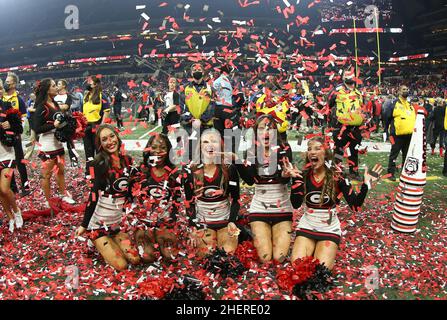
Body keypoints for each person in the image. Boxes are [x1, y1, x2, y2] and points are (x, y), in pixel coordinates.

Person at [289, 136, 383, 270]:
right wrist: (295, 182)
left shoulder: (339, 176)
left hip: (329, 229)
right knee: (298, 267)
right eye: (309, 149)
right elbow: (296, 204)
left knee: (321, 270)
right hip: (307, 226)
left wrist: (366, 184)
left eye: (317, 148)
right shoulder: (303, 175)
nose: (312, 152)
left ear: (326, 153)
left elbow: (355, 206)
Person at [75, 124, 140, 271]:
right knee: (121, 265)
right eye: (104, 139)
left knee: (134, 259)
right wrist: (84, 225)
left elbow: (130, 191)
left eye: (112, 136)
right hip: (98, 225)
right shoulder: (97, 164)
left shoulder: (128, 161)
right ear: (100, 144)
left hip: (115, 224)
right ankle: (95, 241)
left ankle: (110, 240)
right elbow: (93, 196)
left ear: (117, 137)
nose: (110, 141)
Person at [237, 114, 293, 263]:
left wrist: (285, 175)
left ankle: (273, 235)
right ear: (256, 133)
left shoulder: (285, 149)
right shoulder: (250, 151)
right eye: (262, 128)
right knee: (265, 257)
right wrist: (237, 162)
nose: (266, 132)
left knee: (279, 258)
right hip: (259, 209)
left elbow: (284, 180)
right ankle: (253, 233)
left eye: (270, 128)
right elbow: (249, 181)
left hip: (282, 209)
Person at [184, 129, 240, 257]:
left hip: (225, 222)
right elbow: (189, 202)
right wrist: (193, 227)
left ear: (220, 145)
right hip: (204, 224)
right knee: (208, 254)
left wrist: (232, 221)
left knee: (226, 254)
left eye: (214, 141)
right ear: (200, 146)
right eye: (205, 141)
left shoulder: (229, 169)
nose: (210, 145)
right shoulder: (191, 171)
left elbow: (236, 200)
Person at [133, 133, 182, 262]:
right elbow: (132, 199)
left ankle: (159, 239)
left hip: (164, 222)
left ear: (168, 151)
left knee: (171, 256)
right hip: (144, 223)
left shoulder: (173, 173)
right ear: (148, 149)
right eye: (154, 147)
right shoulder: (142, 171)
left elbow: (177, 200)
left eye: (163, 148)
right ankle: (150, 239)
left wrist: (170, 221)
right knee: (147, 256)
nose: (158, 151)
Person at [32, 79, 75, 206]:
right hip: (47, 144)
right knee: (46, 175)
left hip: (58, 142)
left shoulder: (55, 103)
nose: (56, 87)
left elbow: (59, 121)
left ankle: (63, 194)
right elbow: (36, 128)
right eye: (54, 85)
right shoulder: (41, 106)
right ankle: (47, 200)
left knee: (61, 170)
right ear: (47, 89)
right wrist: (53, 125)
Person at [328, 69, 367, 181]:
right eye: (346, 75)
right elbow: (328, 105)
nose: (349, 76)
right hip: (341, 127)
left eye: (351, 74)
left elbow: (362, 108)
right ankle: (337, 172)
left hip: (356, 128)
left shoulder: (359, 92)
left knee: (354, 150)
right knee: (339, 151)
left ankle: (353, 173)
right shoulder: (336, 90)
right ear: (343, 77)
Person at [0, 79, 23, 232]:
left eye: (0, 87)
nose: (0, 89)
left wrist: (11, 125)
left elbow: (19, 128)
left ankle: (17, 212)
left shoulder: (7, 106)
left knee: (4, 188)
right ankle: (10, 218)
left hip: (6, 152)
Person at [2, 72, 30, 196]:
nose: (5, 83)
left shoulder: (18, 100)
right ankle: (12, 188)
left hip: (15, 135)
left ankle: (26, 186)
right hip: (2, 135)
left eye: (8, 82)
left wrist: (16, 130)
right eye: (5, 82)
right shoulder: (2, 98)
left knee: (20, 161)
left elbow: (23, 119)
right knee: (7, 161)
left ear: (14, 84)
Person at [384, 85, 417, 181]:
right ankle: (391, 173)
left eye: (407, 89)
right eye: (403, 89)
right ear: (399, 91)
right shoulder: (393, 103)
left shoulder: (410, 104)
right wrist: (388, 131)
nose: (406, 91)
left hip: (409, 135)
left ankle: (405, 172)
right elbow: (387, 117)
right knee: (394, 154)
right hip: (397, 135)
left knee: (406, 155)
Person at [82, 76, 111, 176]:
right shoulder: (86, 97)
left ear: (96, 84)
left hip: (97, 125)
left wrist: (101, 127)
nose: (88, 83)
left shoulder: (102, 96)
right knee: (88, 152)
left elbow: (106, 112)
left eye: (90, 82)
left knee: (99, 152)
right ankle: (90, 173)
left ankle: (100, 172)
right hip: (86, 127)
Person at [55, 79, 79, 167]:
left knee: (70, 143)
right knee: (56, 142)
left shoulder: (68, 96)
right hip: (56, 122)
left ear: (64, 86)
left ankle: (74, 161)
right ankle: (58, 162)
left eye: (59, 84)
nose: (57, 85)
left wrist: (56, 107)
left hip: (66, 122)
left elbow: (66, 107)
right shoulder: (55, 96)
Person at [212, 64, 234, 136]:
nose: (229, 74)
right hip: (227, 108)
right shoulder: (228, 82)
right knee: (228, 132)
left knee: (219, 132)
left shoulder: (216, 81)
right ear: (225, 73)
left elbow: (214, 95)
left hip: (219, 108)